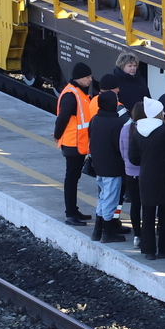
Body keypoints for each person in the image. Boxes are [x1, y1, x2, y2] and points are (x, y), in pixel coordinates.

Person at [129, 97, 165, 259]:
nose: (164, 113)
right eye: (161, 111)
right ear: (157, 114)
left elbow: (133, 158)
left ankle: (148, 250)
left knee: (148, 215)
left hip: (146, 177)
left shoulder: (137, 132)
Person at [54, 62, 96, 226]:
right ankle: (70, 213)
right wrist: (57, 135)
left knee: (74, 178)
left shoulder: (78, 92)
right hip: (73, 144)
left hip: (77, 143)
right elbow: (62, 118)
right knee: (71, 179)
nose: (90, 80)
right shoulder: (72, 95)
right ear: (79, 78)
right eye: (87, 77)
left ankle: (73, 210)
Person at [87, 90, 128, 243]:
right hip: (113, 167)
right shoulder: (116, 123)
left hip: (99, 166)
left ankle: (97, 230)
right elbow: (120, 147)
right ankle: (107, 232)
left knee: (102, 197)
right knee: (111, 199)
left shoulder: (95, 120)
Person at [119, 102, 145, 239]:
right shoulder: (146, 130)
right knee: (147, 204)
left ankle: (137, 235)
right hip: (145, 173)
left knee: (135, 204)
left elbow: (122, 152)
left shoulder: (125, 129)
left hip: (130, 172)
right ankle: (147, 233)